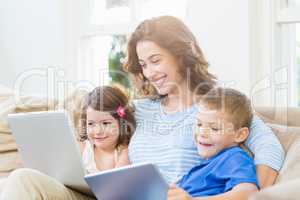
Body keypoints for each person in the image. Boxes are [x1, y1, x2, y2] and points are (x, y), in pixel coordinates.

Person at [0, 15, 284, 200]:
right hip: (108, 196)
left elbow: (268, 148)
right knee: (24, 180)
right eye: (143, 64)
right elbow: (100, 133)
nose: (149, 72)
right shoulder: (138, 109)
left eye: (156, 60)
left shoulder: (215, 110)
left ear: (181, 55)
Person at [0, 86, 135, 200]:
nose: (97, 131)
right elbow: (62, 172)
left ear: (122, 123)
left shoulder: (123, 152)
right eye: (91, 124)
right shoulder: (83, 147)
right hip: (74, 193)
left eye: (105, 123)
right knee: (22, 176)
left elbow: (116, 191)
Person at [167, 87, 259, 200]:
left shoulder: (234, 157)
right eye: (199, 124)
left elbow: (248, 193)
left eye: (214, 128)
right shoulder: (206, 164)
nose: (202, 133)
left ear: (240, 135)